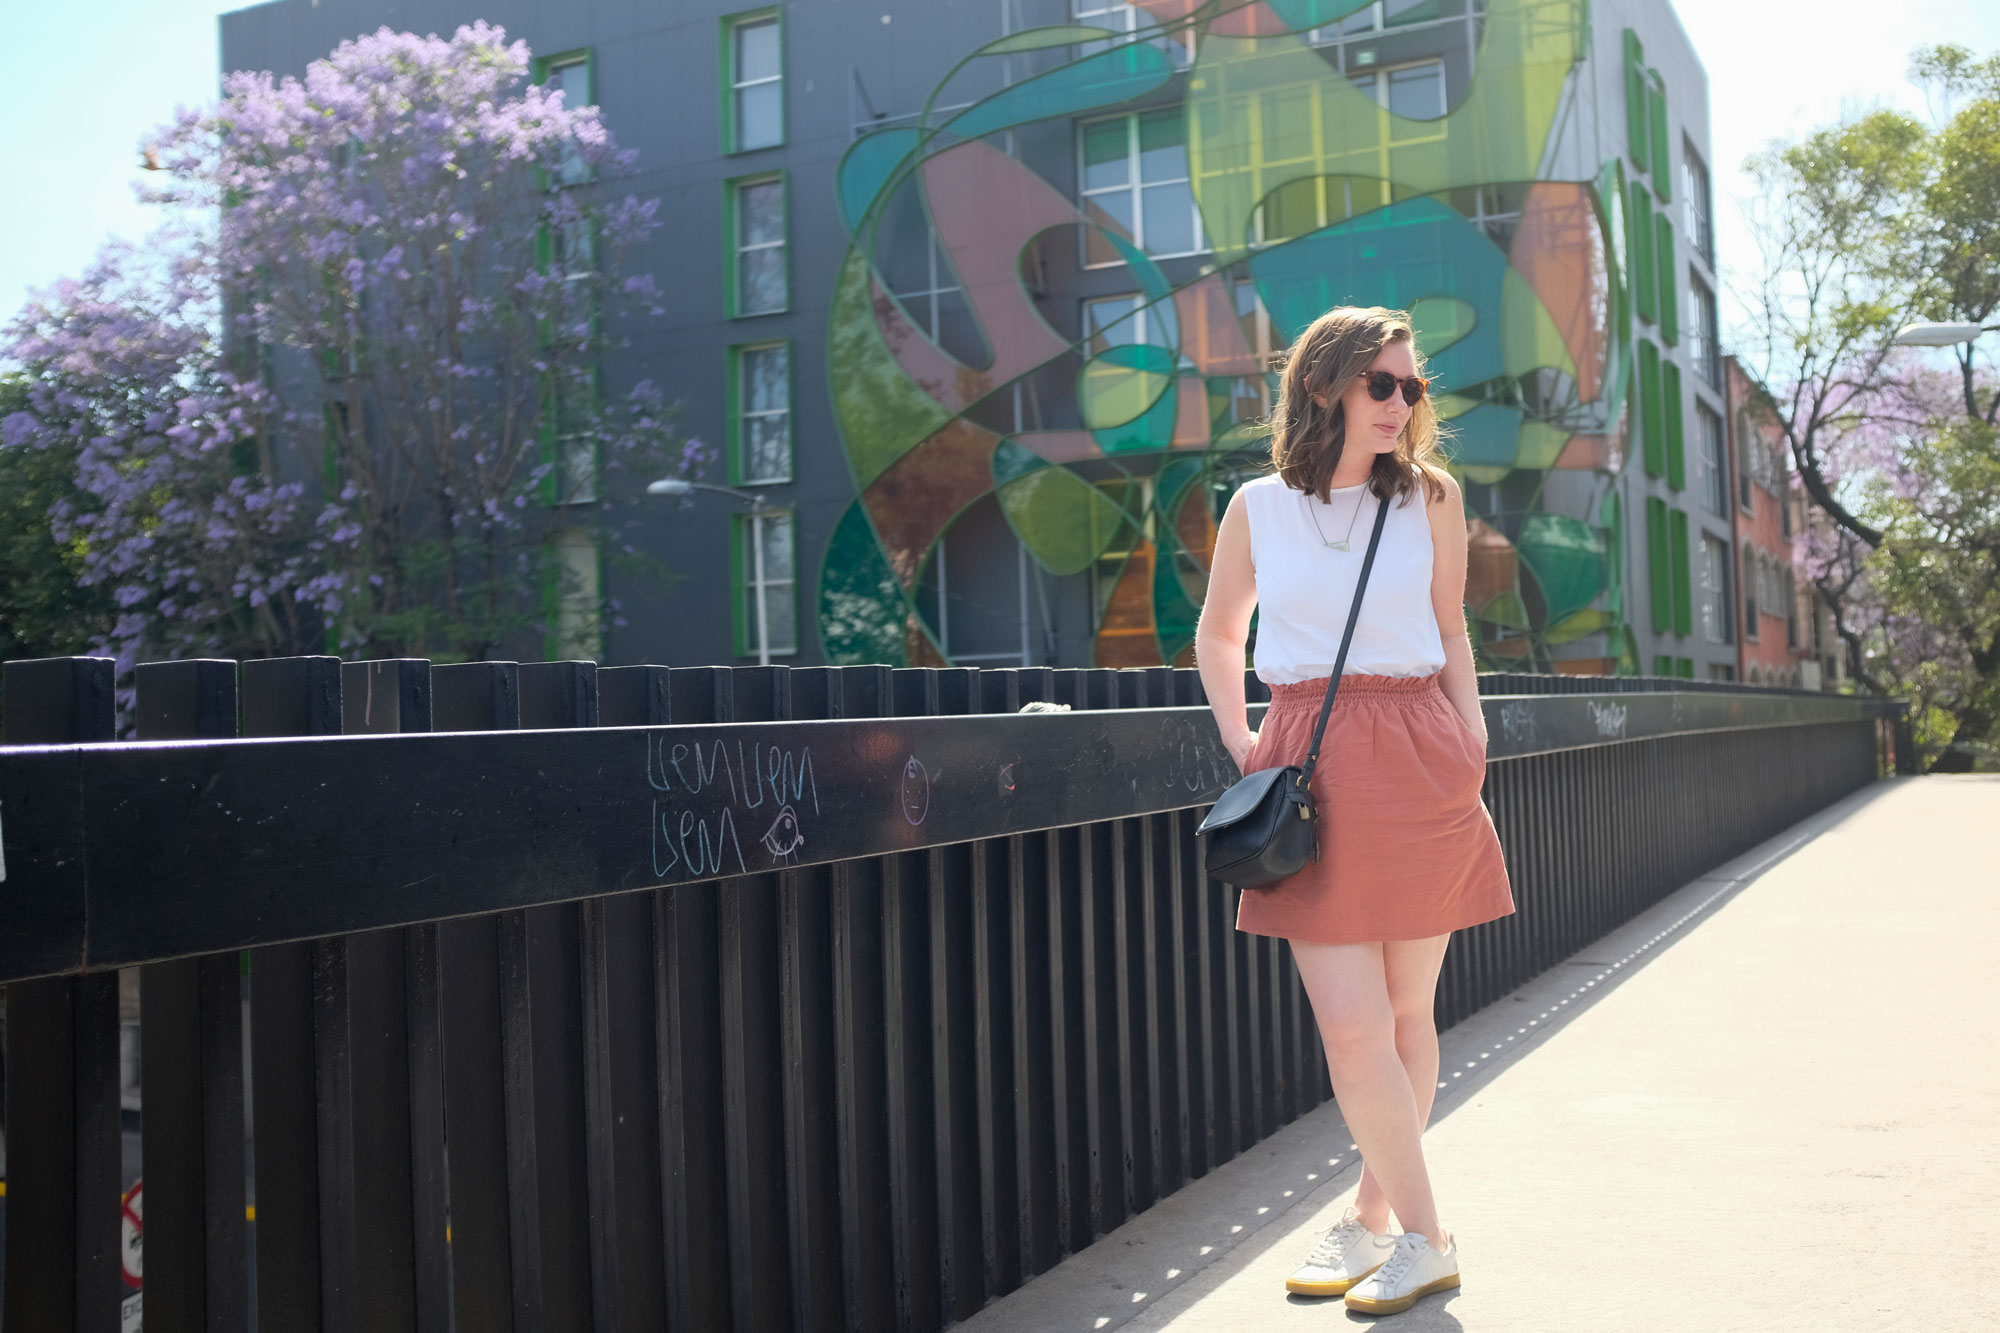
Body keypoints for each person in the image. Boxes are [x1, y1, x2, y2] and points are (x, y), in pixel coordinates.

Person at [1193, 304, 1514, 1316]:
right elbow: (1216, 636)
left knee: (1407, 1013)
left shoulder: (1429, 497)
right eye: (1383, 383)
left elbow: (1448, 629)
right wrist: (1248, 743)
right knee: (1349, 1023)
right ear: (1324, 384)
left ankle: (1384, 1223)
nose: (1401, 402)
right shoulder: (1256, 507)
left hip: (1421, 752)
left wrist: (1471, 740)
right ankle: (1418, 1233)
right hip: (1309, 760)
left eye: (1412, 386)